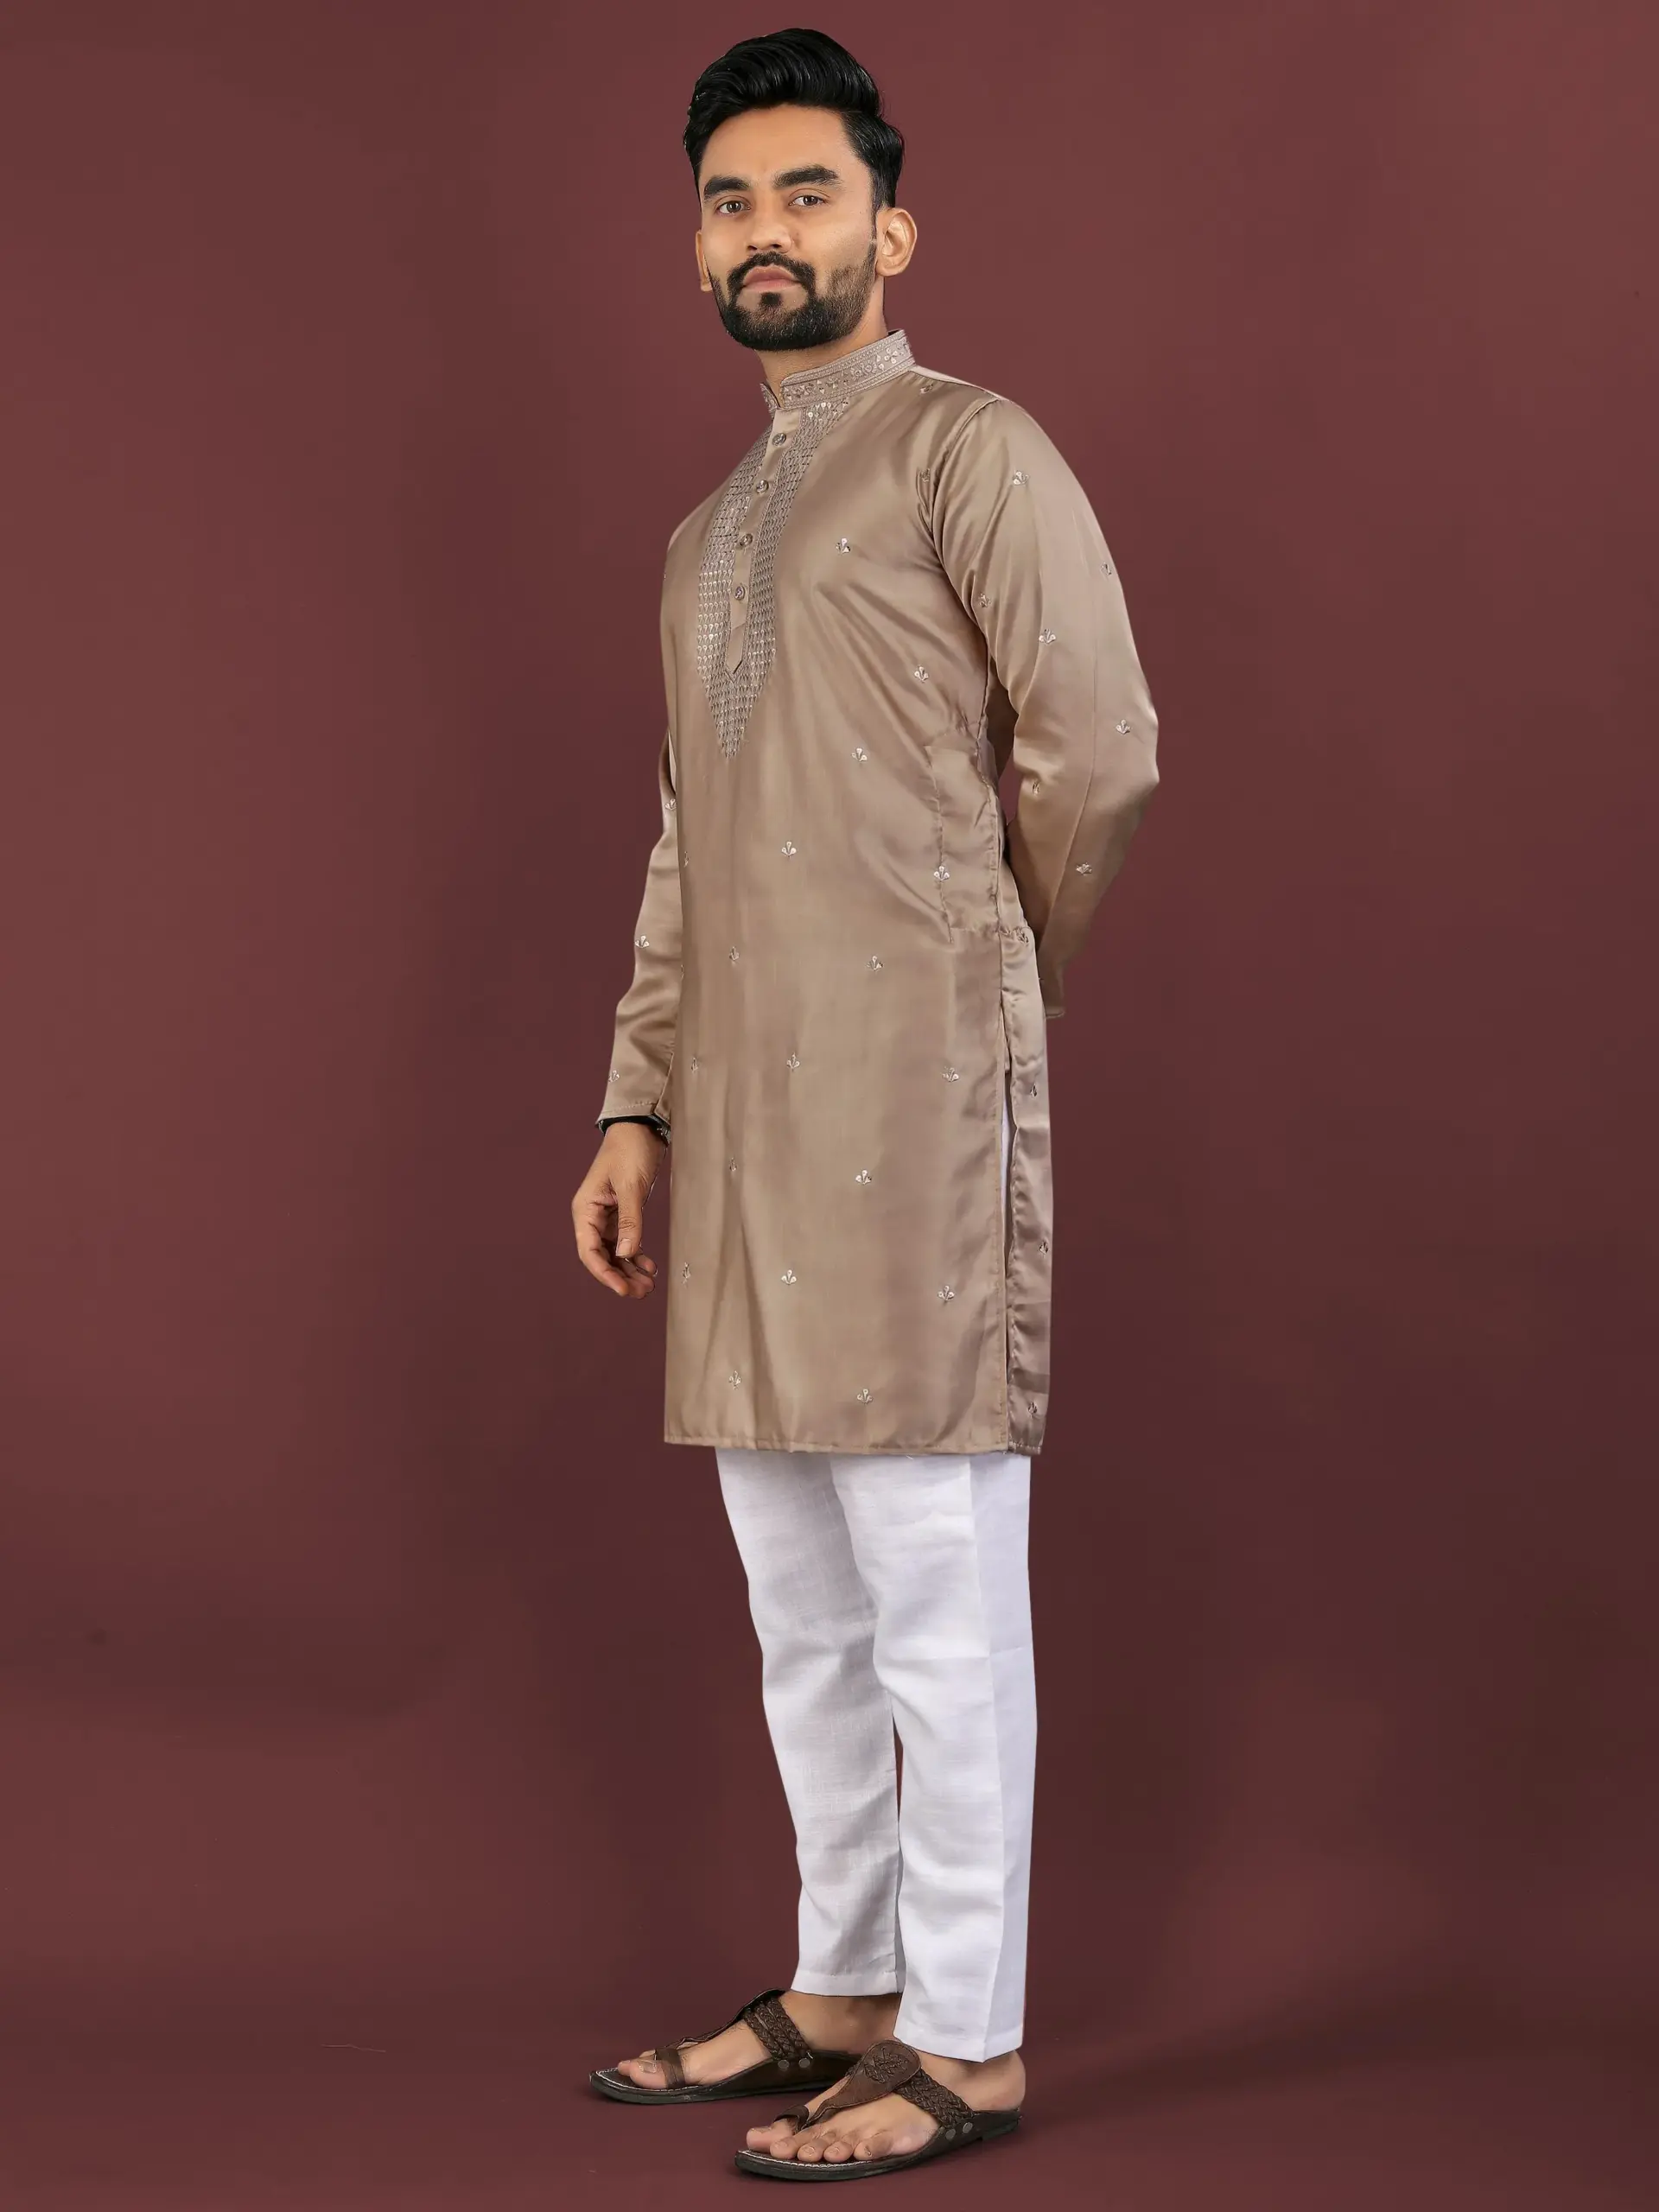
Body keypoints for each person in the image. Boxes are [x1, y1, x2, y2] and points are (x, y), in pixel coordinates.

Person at [573, 27, 1160, 2182]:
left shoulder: (965, 448)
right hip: (737, 1121)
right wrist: (636, 1103)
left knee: (933, 1581)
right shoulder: (703, 534)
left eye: (807, 193)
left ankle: (970, 2035)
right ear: (697, 247)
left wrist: (985, 980)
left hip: (909, 1098)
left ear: (890, 232)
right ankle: (842, 1985)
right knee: (800, 1598)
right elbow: (686, 841)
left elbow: (1099, 748)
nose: (767, 231)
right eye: (731, 201)